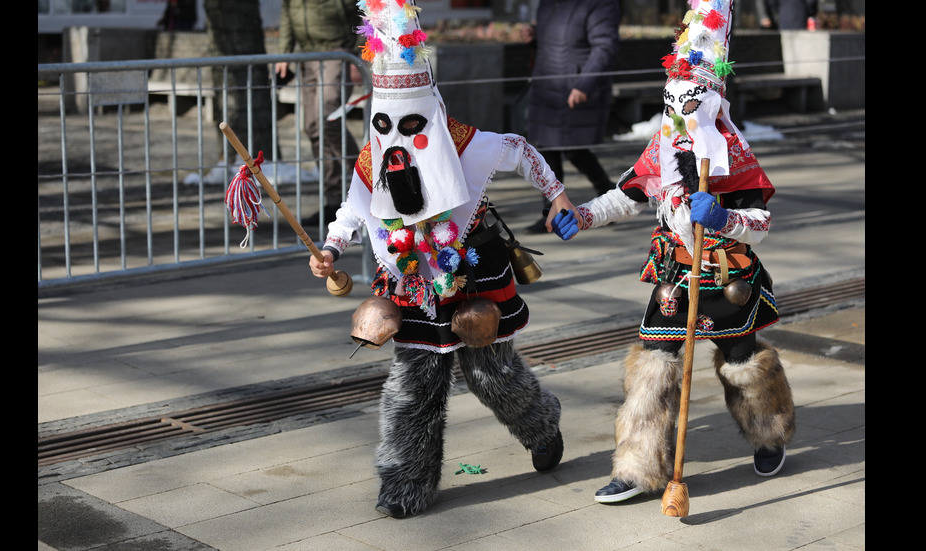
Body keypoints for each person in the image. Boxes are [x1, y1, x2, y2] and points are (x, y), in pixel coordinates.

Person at [308, 0, 581, 519]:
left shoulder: (466, 145)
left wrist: (558, 195)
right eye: (386, 125)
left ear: (431, 111)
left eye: (411, 125)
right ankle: (403, 484)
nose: (397, 142)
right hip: (409, 278)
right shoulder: (373, 156)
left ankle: (541, 425)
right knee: (414, 385)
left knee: (491, 375)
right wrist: (331, 248)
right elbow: (353, 206)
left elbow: (522, 149)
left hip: (472, 269)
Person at [561, 0, 795, 504]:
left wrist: (725, 218)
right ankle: (637, 468)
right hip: (673, 274)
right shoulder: (662, 146)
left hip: (726, 277)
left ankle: (769, 434)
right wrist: (584, 215)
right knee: (654, 363)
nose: (678, 117)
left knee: (741, 359)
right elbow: (628, 193)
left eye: (688, 105)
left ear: (709, 104)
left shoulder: (734, 156)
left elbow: (761, 224)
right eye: (671, 105)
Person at [522, 0, 621, 233]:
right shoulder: (548, 4)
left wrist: (584, 84)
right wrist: (534, 37)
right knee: (546, 148)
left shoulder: (600, 4)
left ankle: (608, 196)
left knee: (574, 148)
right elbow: (557, 41)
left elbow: (604, 47)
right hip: (547, 85)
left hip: (575, 86)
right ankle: (553, 210)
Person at [275, 0, 363, 226]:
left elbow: (365, 9)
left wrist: (358, 54)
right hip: (306, 56)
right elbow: (288, 13)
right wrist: (284, 53)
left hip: (337, 54)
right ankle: (334, 201)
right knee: (314, 127)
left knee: (328, 120)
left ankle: (367, 177)